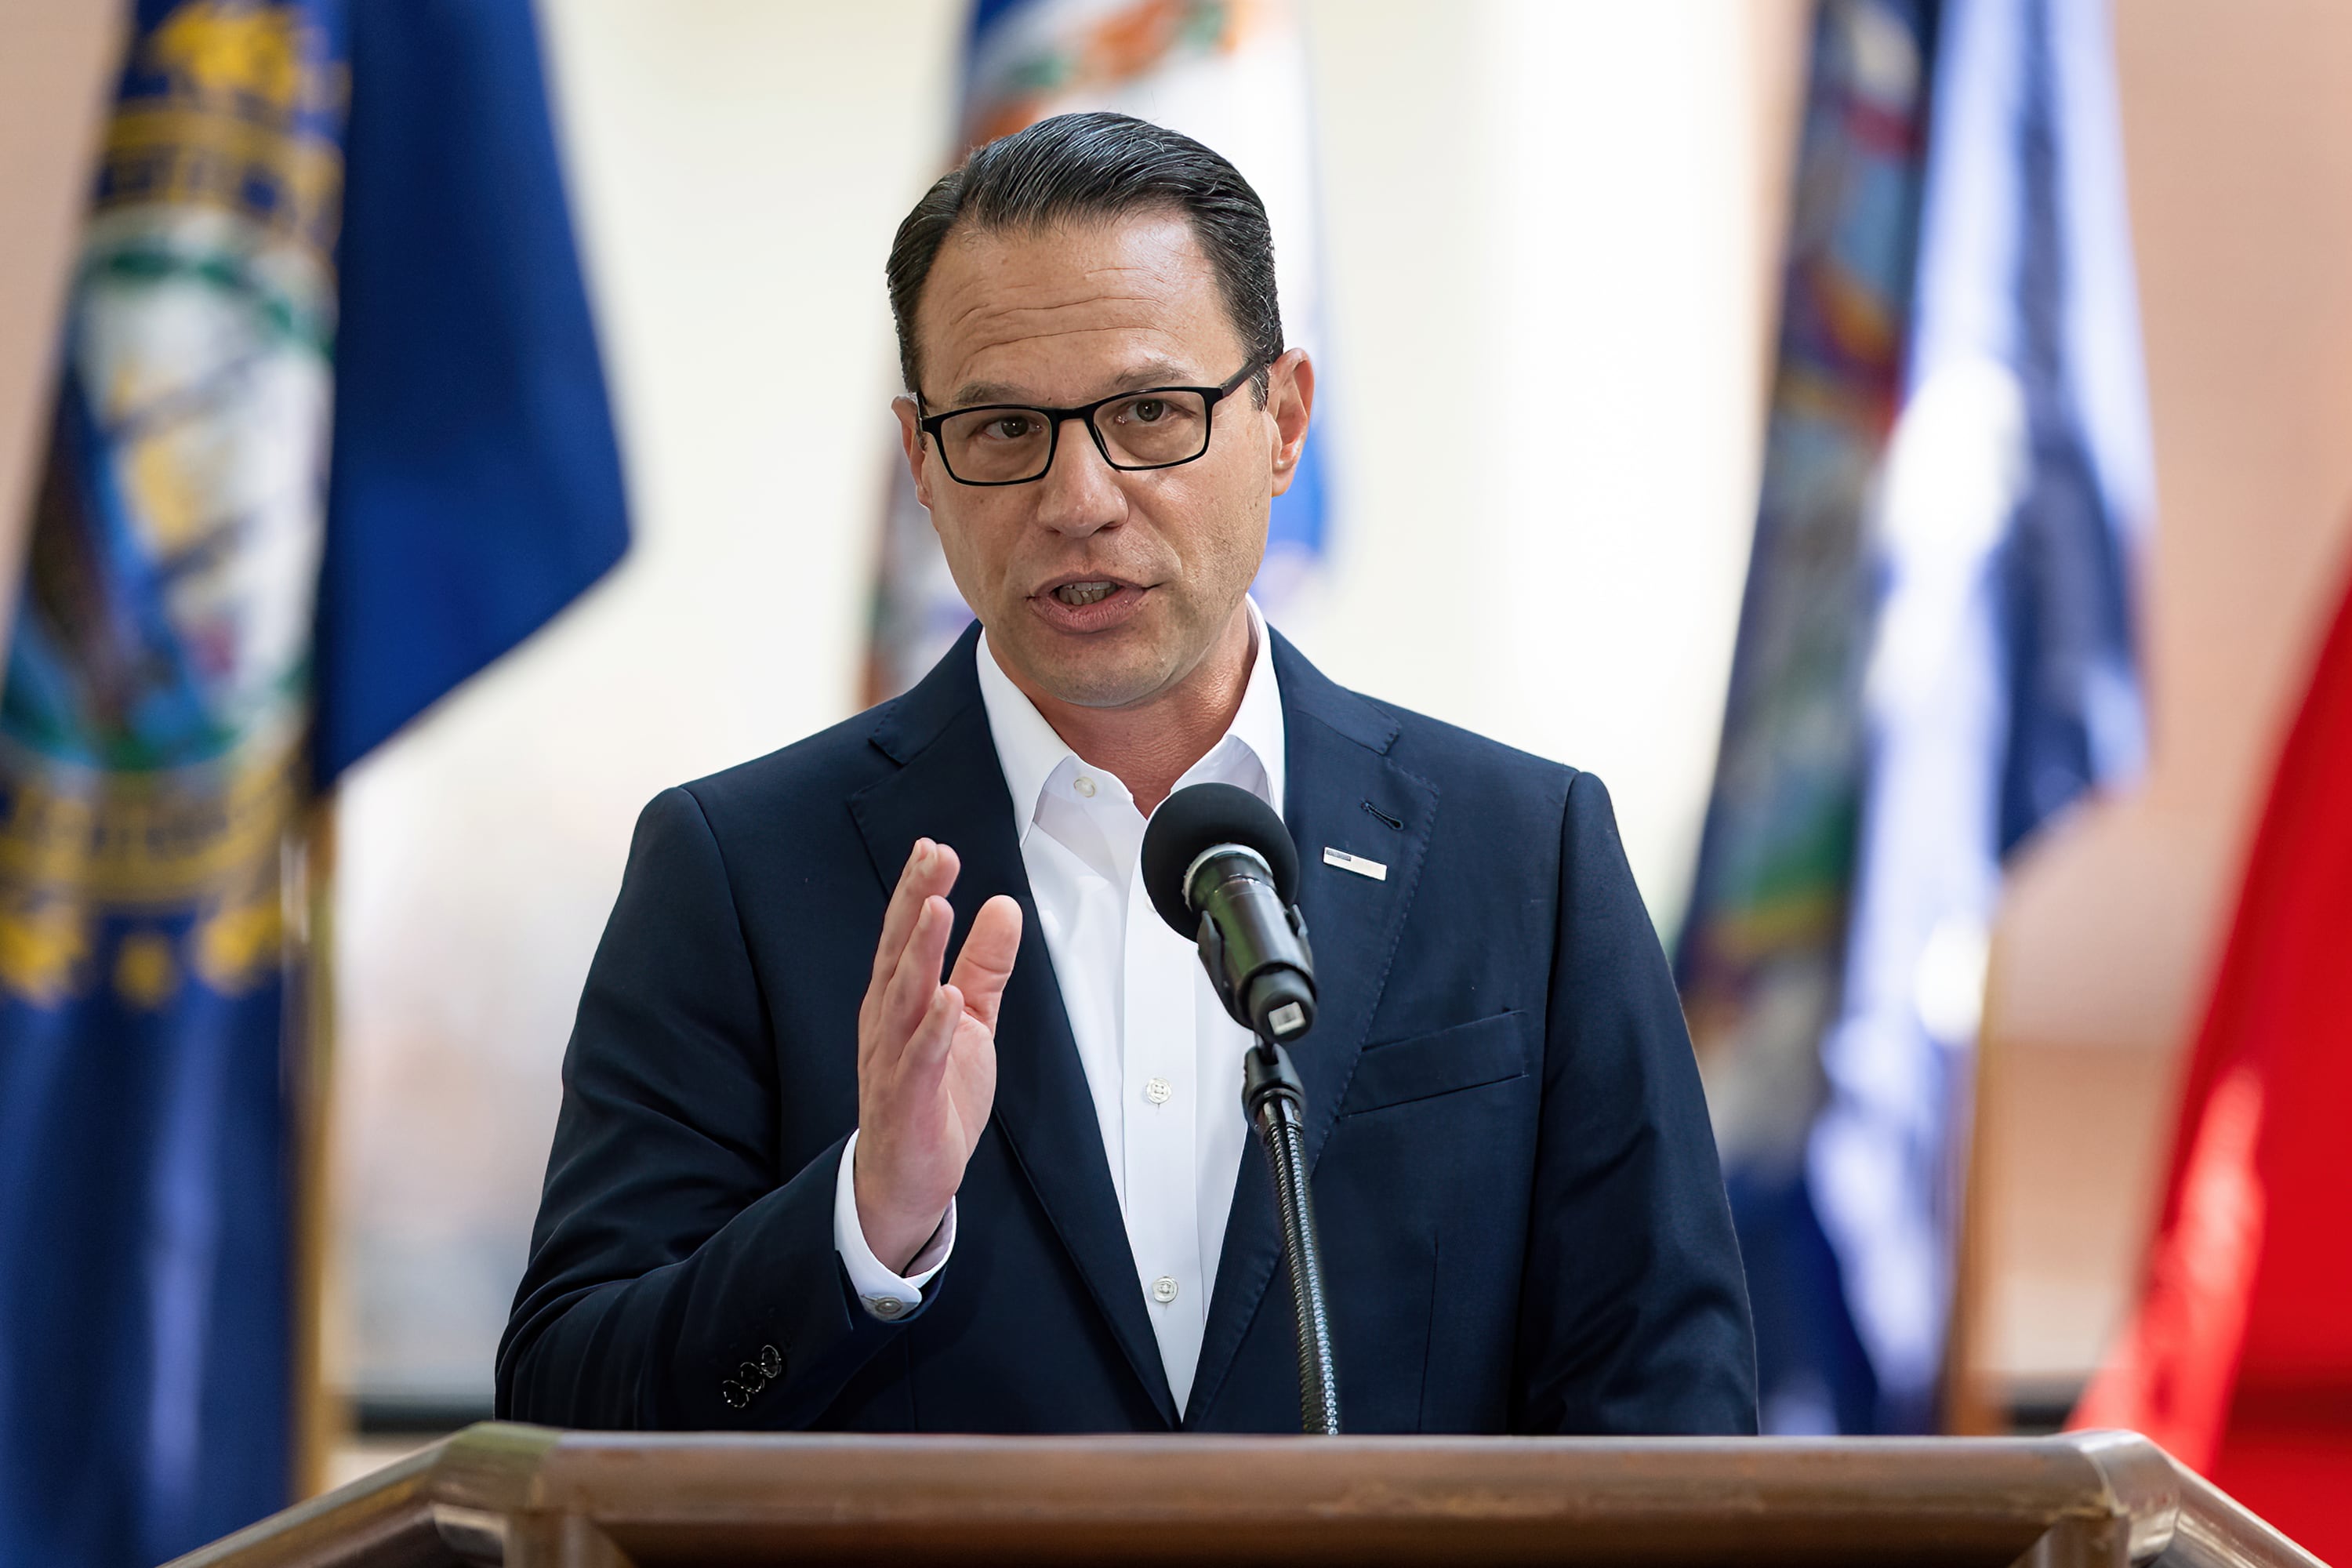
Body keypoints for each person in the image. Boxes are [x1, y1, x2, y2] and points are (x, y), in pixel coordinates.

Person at [498, 112, 1756, 1435]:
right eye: (999, 429)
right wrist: (867, 1220)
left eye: (1151, 412)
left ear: (1282, 420)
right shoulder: (742, 871)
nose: (1080, 497)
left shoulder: (1527, 855)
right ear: (922, 462)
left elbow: (1667, 1404)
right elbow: (565, 1400)